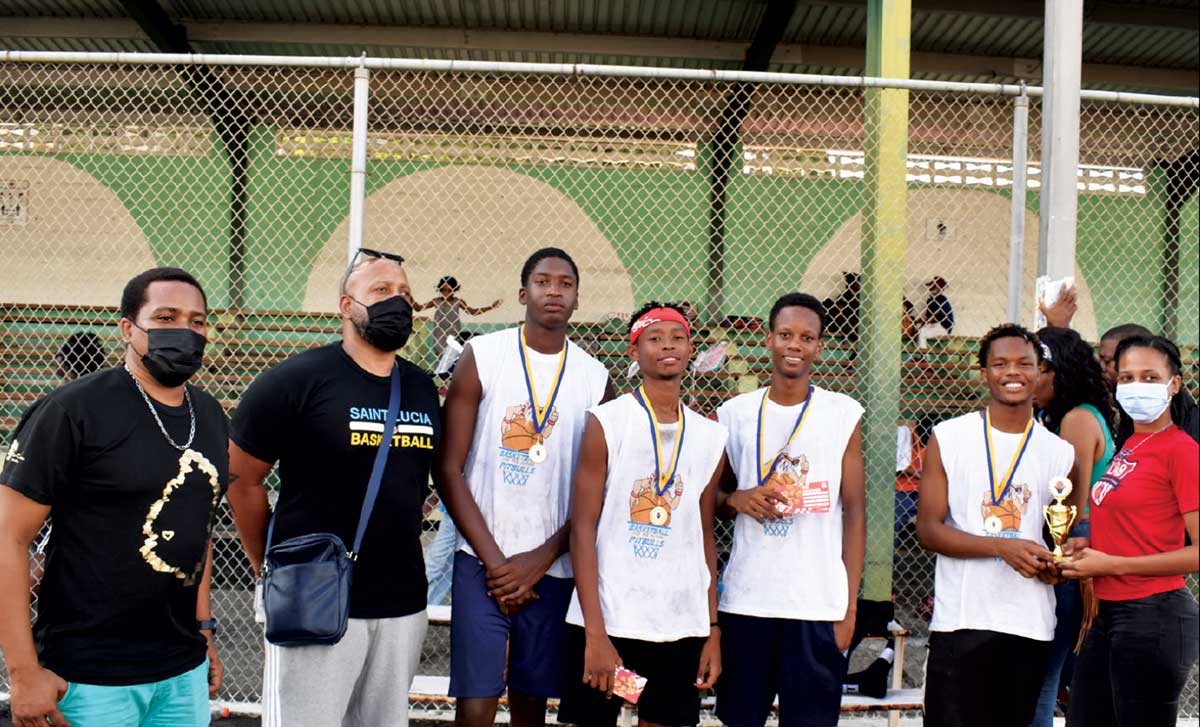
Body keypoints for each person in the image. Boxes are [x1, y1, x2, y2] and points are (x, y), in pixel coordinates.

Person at [0, 267, 226, 727]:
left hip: (182, 671)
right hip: (89, 676)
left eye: (196, 321)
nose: (184, 331)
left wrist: (204, 633)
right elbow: (7, 538)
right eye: (165, 317)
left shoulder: (210, 413)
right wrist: (24, 674)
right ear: (128, 328)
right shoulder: (73, 409)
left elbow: (196, 525)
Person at [226, 247, 441, 727]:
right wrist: (270, 565)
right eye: (381, 290)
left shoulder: (422, 388)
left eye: (405, 292)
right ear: (346, 306)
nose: (398, 302)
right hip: (313, 595)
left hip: (401, 598)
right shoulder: (296, 380)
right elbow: (242, 479)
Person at [436, 247, 612, 727]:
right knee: (477, 700)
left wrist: (538, 561)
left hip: (552, 566)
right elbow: (447, 469)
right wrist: (497, 564)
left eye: (565, 284)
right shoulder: (483, 357)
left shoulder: (596, 378)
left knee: (533, 699)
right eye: (542, 281)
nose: (553, 290)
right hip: (480, 560)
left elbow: (600, 493)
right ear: (522, 293)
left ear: (577, 299)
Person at [559, 301, 727, 727]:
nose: (667, 346)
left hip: (679, 624)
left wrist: (711, 628)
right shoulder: (607, 422)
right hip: (611, 623)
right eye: (654, 338)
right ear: (635, 352)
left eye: (677, 338)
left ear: (691, 349)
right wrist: (594, 633)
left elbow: (703, 534)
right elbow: (582, 528)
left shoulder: (711, 436)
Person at [713, 292, 866, 727]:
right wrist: (736, 499)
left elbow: (854, 513)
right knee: (741, 719)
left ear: (819, 346)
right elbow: (712, 502)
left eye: (805, 337)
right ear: (768, 339)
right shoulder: (734, 414)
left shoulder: (842, 413)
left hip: (816, 604)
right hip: (749, 600)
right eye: (785, 334)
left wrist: (848, 607)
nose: (794, 345)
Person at [916, 324, 1074, 727]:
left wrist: (1057, 565)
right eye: (1000, 363)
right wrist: (1002, 546)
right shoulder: (949, 437)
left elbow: (1058, 537)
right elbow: (929, 530)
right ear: (983, 371)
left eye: (1024, 363)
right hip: (962, 620)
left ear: (1040, 372)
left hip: (1028, 622)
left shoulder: (1060, 452)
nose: (1012, 372)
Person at [1061, 335, 1199, 727]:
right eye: (1127, 377)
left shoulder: (1181, 451)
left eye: (1150, 377)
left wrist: (1110, 562)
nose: (1137, 386)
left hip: (1153, 615)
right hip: (1108, 613)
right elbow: (1141, 522)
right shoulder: (1133, 444)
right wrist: (1089, 543)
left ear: (1174, 385)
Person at [1027, 327, 1116, 727]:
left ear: (1056, 372)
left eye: (1037, 368)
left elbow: (1072, 503)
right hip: (1071, 543)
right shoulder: (1062, 415)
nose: (1028, 378)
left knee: (1044, 672)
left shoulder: (1077, 420)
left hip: (1072, 543)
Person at [1098, 324, 1199, 446]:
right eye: (1127, 377)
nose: (1101, 368)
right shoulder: (1133, 417)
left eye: (1108, 361)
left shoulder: (1186, 434)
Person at [414, 275, 502, 358]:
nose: (446, 293)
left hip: (453, 333)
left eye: (449, 290)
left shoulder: (458, 302)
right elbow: (418, 308)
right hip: (439, 334)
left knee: (453, 354)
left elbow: (472, 312)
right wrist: (409, 297)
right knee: (441, 355)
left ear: (454, 290)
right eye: (443, 290)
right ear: (440, 289)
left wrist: (491, 307)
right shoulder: (436, 301)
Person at [917, 276, 955, 349]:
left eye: (933, 286)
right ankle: (924, 354)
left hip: (943, 327)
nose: (931, 288)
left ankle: (923, 356)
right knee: (918, 327)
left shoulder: (942, 299)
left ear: (939, 288)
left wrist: (926, 322)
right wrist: (920, 321)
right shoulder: (930, 300)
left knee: (922, 331)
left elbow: (935, 314)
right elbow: (928, 316)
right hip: (935, 325)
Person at [822, 272, 860, 340]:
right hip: (839, 322)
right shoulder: (846, 294)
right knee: (827, 303)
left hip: (851, 324)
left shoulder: (862, 297)